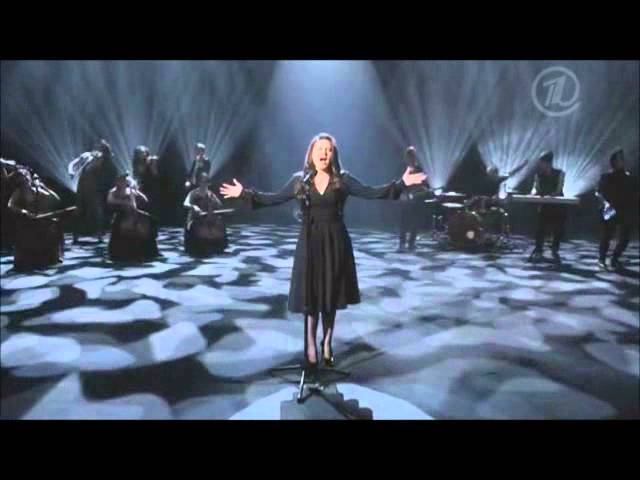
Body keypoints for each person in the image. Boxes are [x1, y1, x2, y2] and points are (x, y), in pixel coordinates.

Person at [220, 133, 426, 371]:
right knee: (311, 298)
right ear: (311, 153)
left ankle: (326, 342)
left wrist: (401, 184)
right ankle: (310, 346)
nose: (324, 153)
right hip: (309, 242)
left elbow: (371, 192)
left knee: (330, 297)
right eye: (320, 149)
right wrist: (244, 193)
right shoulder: (301, 181)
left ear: (333, 155)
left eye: (328, 149)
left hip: (334, 241)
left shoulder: (342, 180)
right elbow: (273, 199)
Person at [7, 168, 65, 271]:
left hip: (43, 219)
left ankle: (54, 257)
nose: (25, 179)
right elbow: (11, 205)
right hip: (29, 220)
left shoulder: (38, 188)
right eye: (23, 177)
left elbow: (56, 199)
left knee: (55, 226)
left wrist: (44, 187)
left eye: (26, 176)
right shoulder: (20, 191)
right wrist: (24, 212)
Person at [596, 148, 636, 270]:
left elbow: (634, 194)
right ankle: (601, 259)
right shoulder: (606, 176)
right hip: (609, 208)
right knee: (606, 236)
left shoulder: (629, 177)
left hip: (624, 210)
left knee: (625, 238)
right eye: (618, 159)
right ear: (613, 161)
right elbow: (598, 192)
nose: (621, 162)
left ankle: (614, 259)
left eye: (622, 159)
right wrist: (605, 204)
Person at [68, 139, 115, 244]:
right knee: (78, 211)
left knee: (98, 212)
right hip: (82, 188)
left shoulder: (103, 159)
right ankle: (75, 235)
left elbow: (100, 165)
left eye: (101, 147)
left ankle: (99, 235)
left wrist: (99, 157)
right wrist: (71, 171)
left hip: (94, 190)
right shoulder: (86, 155)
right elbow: (73, 163)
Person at [106, 172, 159, 262]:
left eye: (124, 179)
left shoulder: (131, 190)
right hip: (121, 214)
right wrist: (125, 203)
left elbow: (144, 200)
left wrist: (134, 192)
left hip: (134, 212)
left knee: (150, 220)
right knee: (117, 226)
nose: (122, 182)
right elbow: (110, 201)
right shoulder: (112, 192)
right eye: (120, 180)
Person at [529, 151, 566, 264]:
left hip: (557, 205)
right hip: (544, 204)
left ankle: (554, 249)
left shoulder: (560, 173)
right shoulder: (538, 175)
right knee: (540, 227)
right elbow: (535, 187)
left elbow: (559, 189)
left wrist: (553, 194)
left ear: (547, 163)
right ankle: (538, 249)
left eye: (542, 163)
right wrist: (533, 193)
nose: (540, 165)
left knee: (558, 228)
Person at [183, 172, 228, 256]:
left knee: (220, 224)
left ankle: (218, 244)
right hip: (195, 219)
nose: (204, 184)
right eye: (202, 182)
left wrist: (213, 206)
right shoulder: (193, 193)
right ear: (199, 182)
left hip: (207, 219)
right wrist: (194, 207)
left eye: (206, 182)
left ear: (208, 183)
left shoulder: (211, 194)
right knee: (195, 227)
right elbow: (185, 203)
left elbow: (219, 204)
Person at [398, 146, 430, 251]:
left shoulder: (419, 169)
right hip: (405, 200)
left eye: (412, 156)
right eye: (409, 156)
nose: (411, 158)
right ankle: (402, 244)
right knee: (404, 222)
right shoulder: (402, 168)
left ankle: (411, 244)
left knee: (415, 222)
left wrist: (420, 191)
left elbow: (424, 185)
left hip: (416, 199)